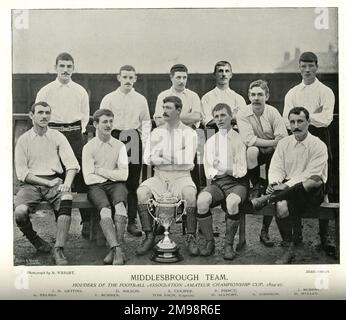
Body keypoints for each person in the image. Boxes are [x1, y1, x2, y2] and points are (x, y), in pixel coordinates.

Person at [251, 107, 329, 263]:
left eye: (300, 121)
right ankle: (289, 248)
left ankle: (268, 198)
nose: (296, 126)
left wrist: (286, 186)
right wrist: (275, 182)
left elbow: (311, 174)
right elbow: (276, 167)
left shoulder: (318, 145)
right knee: (281, 206)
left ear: (308, 122)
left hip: (311, 192)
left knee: (313, 181)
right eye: (292, 122)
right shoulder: (284, 143)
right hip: (287, 190)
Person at [14, 102, 80, 265]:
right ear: (32, 115)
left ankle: (59, 249)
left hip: (55, 180)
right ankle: (36, 240)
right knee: (20, 213)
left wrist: (67, 183)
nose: (44, 116)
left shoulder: (57, 136)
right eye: (40, 112)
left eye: (47, 113)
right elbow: (22, 173)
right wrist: (47, 183)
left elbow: (72, 164)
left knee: (66, 199)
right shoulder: (23, 140)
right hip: (30, 184)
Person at [282, 51, 335, 250]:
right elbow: (288, 120)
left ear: (317, 66)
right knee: (296, 179)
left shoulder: (325, 91)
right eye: (303, 66)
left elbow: (327, 118)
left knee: (322, 183)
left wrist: (302, 117)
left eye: (310, 65)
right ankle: (297, 236)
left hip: (320, 137)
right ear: (299, 68)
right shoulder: (292, 93)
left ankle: (324, 237)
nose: (307, 70)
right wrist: (309, 117)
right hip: (297, 138)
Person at [35, 52, 92, 238]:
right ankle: (60, 226)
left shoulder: (80, 90)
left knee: (81, 177)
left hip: (75, 134)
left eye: (69, 66)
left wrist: (78, 133)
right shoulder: (46, 90)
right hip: (53, 134)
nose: (65, 70)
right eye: (62, 66)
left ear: (73, 68)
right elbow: (39, 116)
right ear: (56, 67)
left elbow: (85, 115)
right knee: (57, 176)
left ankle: (87, 222)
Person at [136, 96, 199, 256]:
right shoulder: (157, 132)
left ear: (179, 110)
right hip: (159, 177)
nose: (164, 111)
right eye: (163, 107)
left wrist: (163, 154)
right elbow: (147, 158)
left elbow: (186, 161)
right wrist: (176, 156)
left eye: (169, 108)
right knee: (141, 192)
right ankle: (149, 236)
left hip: (181, 177)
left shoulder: (189, 133)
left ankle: (191, 237)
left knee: (190, 195)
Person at [100, 65, 151, 237]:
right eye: (125, 77)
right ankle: (115, 219)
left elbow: (145, 122)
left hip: (133, 138)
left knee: (133, 182)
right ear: (119, 78)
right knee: (113, 179)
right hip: (114, 137)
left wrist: (143, 143)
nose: (128, 80)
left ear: (135, 79)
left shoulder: (141, 99)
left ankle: (131, 222)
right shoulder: (109, 98)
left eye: (131, 77)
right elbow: (102, 120)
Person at [237, 80, 287, 247]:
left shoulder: (273, 112)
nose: (256, 98)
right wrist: (270, 142)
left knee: (272, 189)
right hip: (256, 153)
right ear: (248, 96)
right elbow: (249, 140)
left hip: (275, 153)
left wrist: (272, 146)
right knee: (251, 151)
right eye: (253, 94)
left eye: (260, 94)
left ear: (267, 96)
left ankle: (264, 230)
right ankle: (256, 183)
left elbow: (282, 139)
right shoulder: (243, 113)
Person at [196, 103, 248, 259]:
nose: (220, 119)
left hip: (238, 183)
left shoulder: (239, 139)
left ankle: (228, 245)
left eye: (223, 115)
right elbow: (210, 171)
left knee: (232, 202)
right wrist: (223, 169)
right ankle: (209, 242)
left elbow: (241, 170)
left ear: (231, 117)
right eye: (216, 116)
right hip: (218, 183)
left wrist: (224, 168)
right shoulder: (211, 142)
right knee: (202, 200)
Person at [82, 109, 129, 265]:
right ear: (95, 124)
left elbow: (124, 176)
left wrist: (100, 170)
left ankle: (115, 250)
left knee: (121, 207)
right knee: (105, 210)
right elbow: (88, 178)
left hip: (116, 185)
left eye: (110, 121)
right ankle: (117, 249)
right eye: (104, 122)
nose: (108, 125)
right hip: (96, 186)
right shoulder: (89, 147)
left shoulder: (120, 146)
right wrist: (112, 174)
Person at [201, 60, 246, 130]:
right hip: (214, 136)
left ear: (231, 75)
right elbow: (208, 123)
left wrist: (217, 118)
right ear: (214, 74)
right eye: (220, 71)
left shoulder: (239, 98)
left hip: (235, 137)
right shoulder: (207, 98)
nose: (224, 74)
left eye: (227, 71)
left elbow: (244, 121)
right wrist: (233, 117)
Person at [153, 64, 202, 128]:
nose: (182, 81)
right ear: (171, 78)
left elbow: (196, 117)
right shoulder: (163, 96)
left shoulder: (193, 96)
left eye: (184, 77)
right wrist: (187, 117)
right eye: (178, 77)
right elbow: (159, 122)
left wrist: (170, 117)